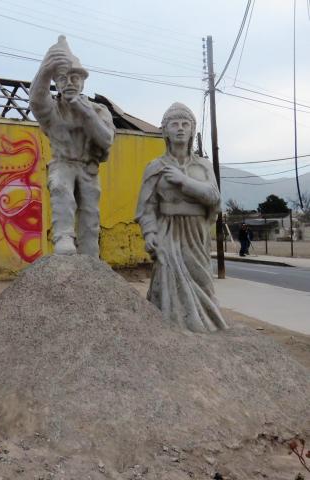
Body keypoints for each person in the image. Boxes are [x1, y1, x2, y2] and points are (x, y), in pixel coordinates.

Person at [136, 102, 228, 333]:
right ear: (165, 130)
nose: (180, 128)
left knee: (202, 283)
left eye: (185, 124)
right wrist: (149, 233)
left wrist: (184, 181)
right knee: (167, 282)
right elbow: (147, 207)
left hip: (196, 234)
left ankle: (206, 327)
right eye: (174, 124)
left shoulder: (204, 166)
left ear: (192, 130)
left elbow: (214, 198)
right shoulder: (155, 167)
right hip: (167, 231)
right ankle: (169, 331)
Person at [29, 35, 115, 257]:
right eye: (63, 78)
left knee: (89, 211)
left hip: (88, 168)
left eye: (75, 78)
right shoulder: (53, 109)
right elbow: (36, 100)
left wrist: (84, 110)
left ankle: (89, 251)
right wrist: (45, 71)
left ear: (83, 82)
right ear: (56, 83)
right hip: (63, 163)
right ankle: (63, 236)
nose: (69, 82)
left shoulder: (98, 111)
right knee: (60, 186)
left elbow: (106, 140)